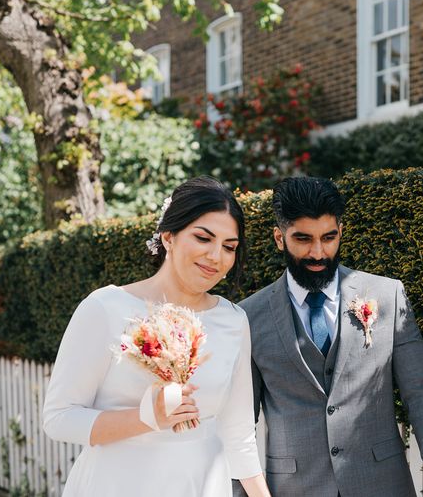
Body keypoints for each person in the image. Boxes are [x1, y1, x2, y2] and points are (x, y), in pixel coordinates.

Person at [235, 176, 423, 497]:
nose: (318, 252)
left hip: (382, 485)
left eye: (328, 238)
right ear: (279, 238)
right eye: (302, 239)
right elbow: (238, 428)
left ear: (340, 232)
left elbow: (422, 396)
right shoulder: (248, 316)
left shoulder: (387, 295)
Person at [43, 176, 271, 497]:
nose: (216, 256)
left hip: (202, 485)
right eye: (203, 238)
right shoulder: (105, 308)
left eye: (229, 247)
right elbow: (59, 418)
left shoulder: (234, 320)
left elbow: (238, 433)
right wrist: (146, 418)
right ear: (168, 237)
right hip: (116, 484)